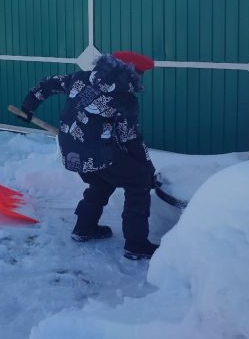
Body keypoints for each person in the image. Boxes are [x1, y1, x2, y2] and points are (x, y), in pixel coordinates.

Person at [19, 51, 158, 260]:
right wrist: (147, 168)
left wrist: (28, 106)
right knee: (138, 182)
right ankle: (136, 244)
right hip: (97, 153)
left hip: (70, 150)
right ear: (134, 75)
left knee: (102, 182)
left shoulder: (81, 78)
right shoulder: (125, 99)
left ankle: (85, 227)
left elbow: (48, 84)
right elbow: (130, 139)